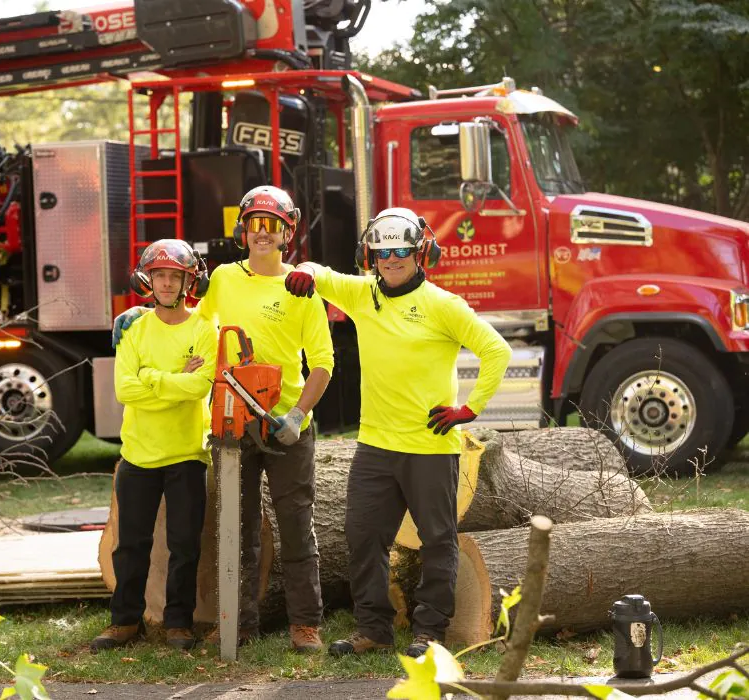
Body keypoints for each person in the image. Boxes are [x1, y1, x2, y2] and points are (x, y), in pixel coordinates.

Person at [112, 186, 334, 652]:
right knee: (237, 529)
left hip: (284, 422)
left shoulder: (301, 288)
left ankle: (305, 624)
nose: (262, 234)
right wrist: (137, 310)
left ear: (286, 232)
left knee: (296, 526)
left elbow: (322, 362)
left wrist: (298, 414)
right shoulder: (225, 281)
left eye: (272, 226)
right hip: (231, 420)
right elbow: (184, 314)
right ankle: (240, 623)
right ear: (243, 231)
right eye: (254, 224)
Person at [283, 207, 512, 658]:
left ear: (419, 252)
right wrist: (305, 272)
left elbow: (496, 350)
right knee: (363, 536)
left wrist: (470, 408)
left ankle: (430, 632)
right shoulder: (364, 293)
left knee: (438, 541)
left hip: (430, 446)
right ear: (370, 255)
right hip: (375, 447)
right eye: (382, 251)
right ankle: (374, 629)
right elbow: (319, 273)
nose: (391, 259)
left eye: (400, 251)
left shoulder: (442, 305)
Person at [91, 239, 216, 653]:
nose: (166, 283)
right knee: (131, 545)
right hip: (138, 456)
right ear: (149, 279)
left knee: (183, 545)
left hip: (185, 455)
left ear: (187, 281)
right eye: (160, 275)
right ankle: (124, 621)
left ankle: (178, 623)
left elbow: (201, 385)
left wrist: (153, 377)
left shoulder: (203, 329)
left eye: (174, 276)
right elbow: (125, 390)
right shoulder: (134, 327)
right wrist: (174, 378)